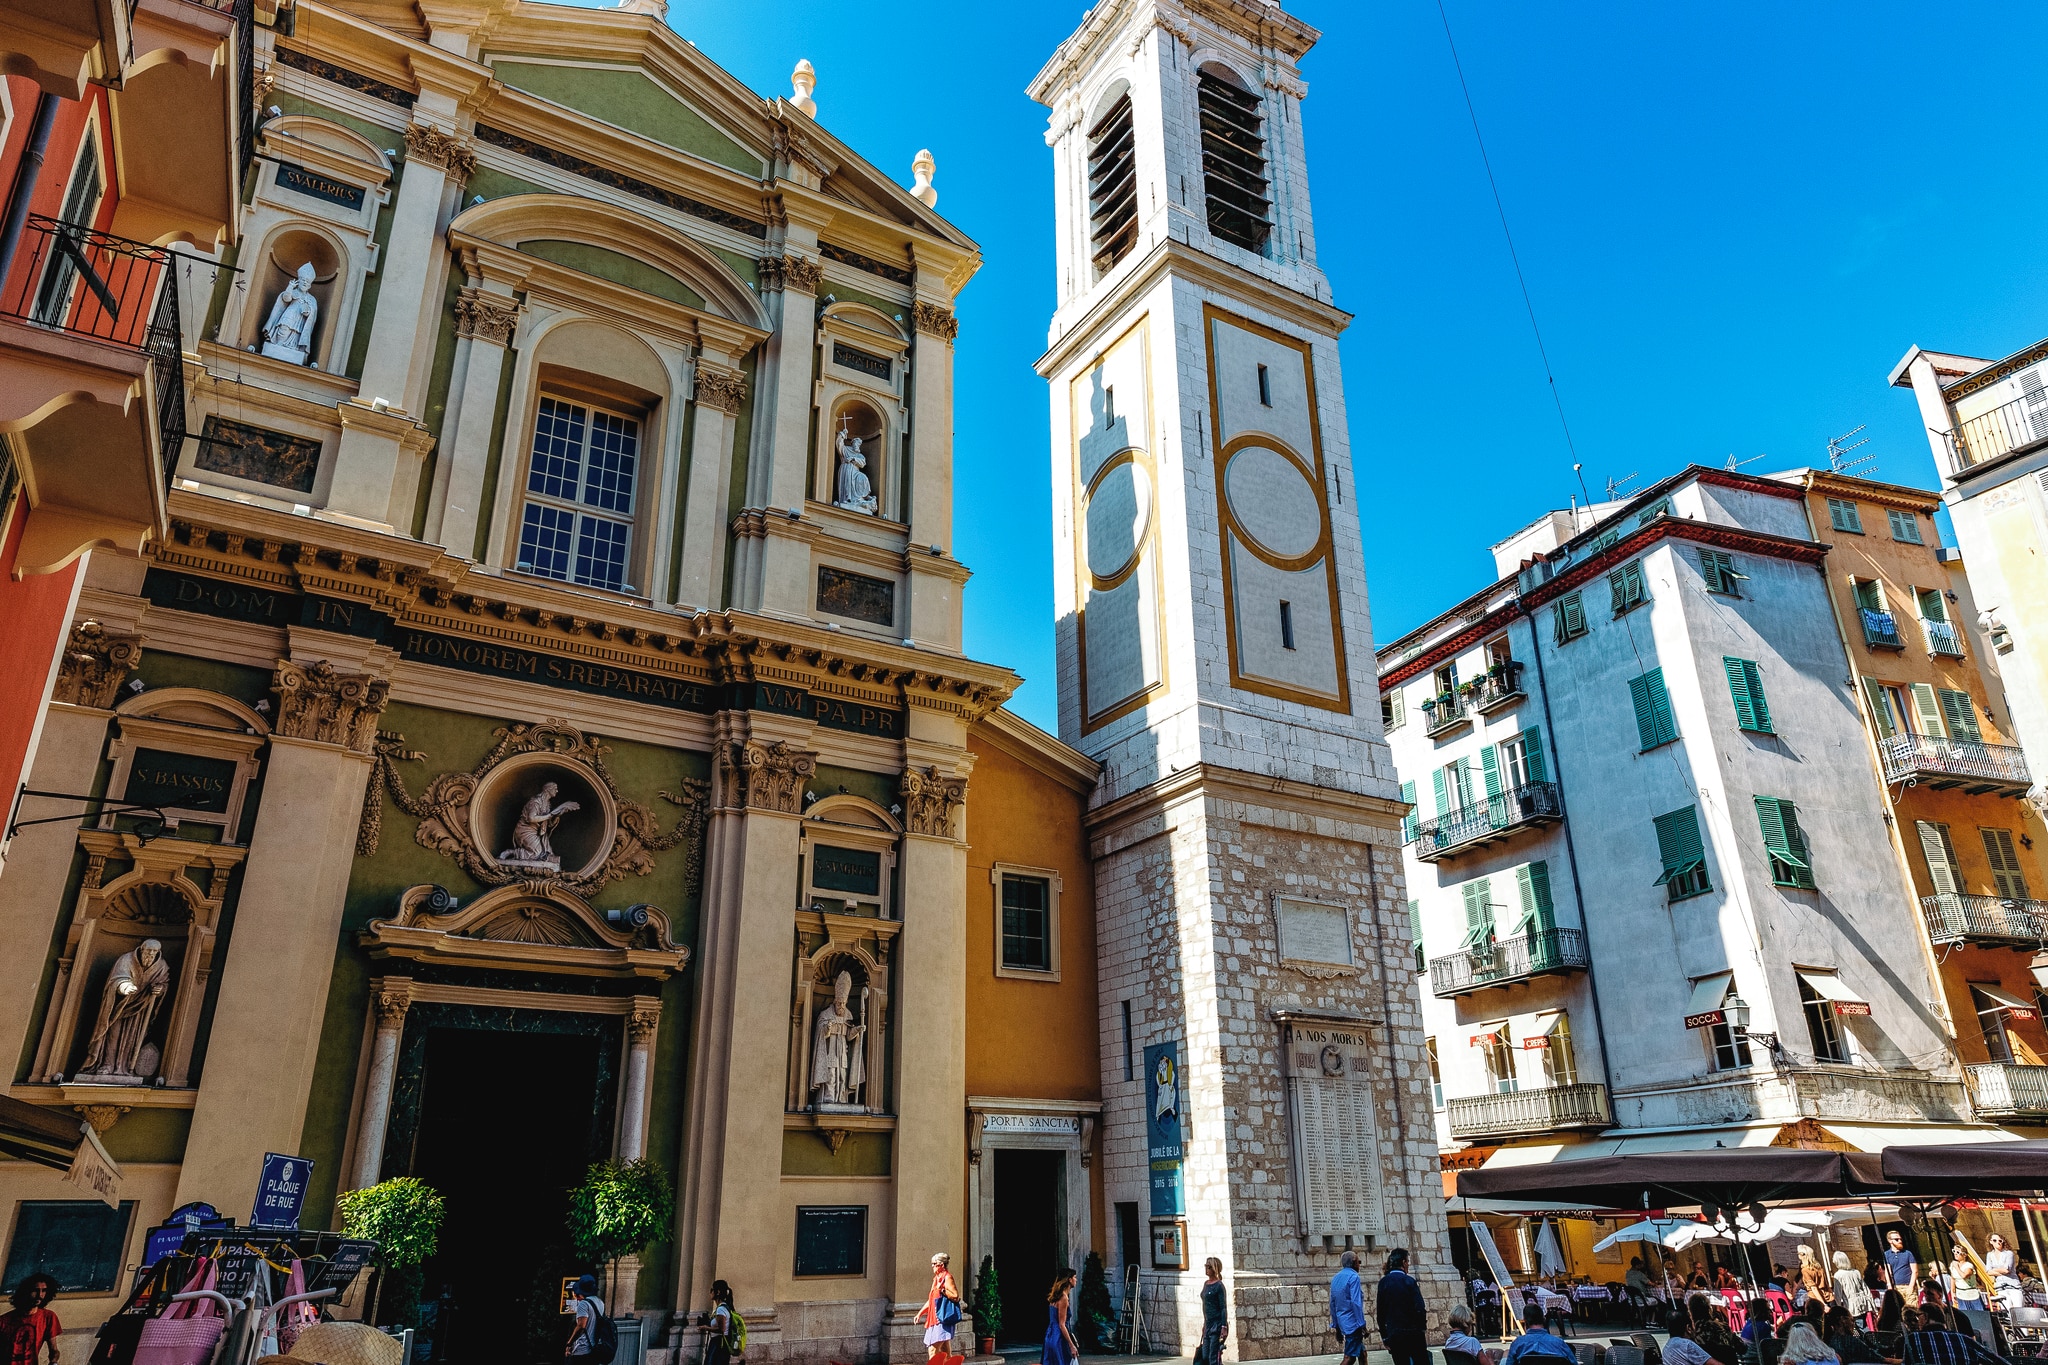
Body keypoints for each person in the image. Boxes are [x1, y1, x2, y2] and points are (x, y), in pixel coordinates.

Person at [1901, 1300, 2006, 1365]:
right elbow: (1997, 1361)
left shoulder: (1913, 1339)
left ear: (1925, 1316)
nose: (1917, 1320)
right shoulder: (1964, 1339)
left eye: (1918, 1316)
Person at [1377, 1248, 1430, 1365]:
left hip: (1395, 1334)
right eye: (1407, 1261)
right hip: (1414, 1333)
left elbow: (1380, 1313)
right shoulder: (1409, 1281)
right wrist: (1421, 1328)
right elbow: (1420, 1308)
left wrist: (1385, 1336)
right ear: (1403, 1262)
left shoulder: (1383, 1283)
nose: (1408, 1264)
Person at [1, 1274, 60, 1365]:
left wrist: (53, 1363)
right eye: (35, 1290)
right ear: (26, 1291)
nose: (40, 1295)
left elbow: (54, 1350)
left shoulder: (48, 1317)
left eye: (44, 1291)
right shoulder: (4, 1321)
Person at [919, 1253, 962, 1361]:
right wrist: (920, 1313)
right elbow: (931, 1300)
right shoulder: (936, 1279)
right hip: (934, 1319)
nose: (932, 1266)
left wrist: (942, 1290)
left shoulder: (947, 1278)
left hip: (942, 1319)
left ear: (941, 1265)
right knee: (946, 1353)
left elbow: (955, 1296)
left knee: (933, 1351)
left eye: (934, 1264)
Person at [1502, 1304, 1578, 1365]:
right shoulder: (1559, 1343)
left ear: (1525, 1321)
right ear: (1543, 1318)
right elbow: (1573, 1363)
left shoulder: (1518, 1343)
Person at [1331, 1250, 1368, 1365]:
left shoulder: (1336, 1278)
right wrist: (1362, 1325)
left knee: (1362, 1354)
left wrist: (1336, 1326)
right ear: (1354, 1262)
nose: (1359, 1265)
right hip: (1353, 1323)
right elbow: (1356, 1303)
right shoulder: (1354, 1277)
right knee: (1349, 1358)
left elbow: (1332, 1304)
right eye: (1359, 1262)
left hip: (1343, 1321)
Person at [1689, 1294, 1744, 1365]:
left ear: (1691, 1312)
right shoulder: (1723, 1328)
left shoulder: (1693, 1335)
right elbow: (1742, 1348)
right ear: (1709, 1309)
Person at [1193, 1260, 1225, 1365]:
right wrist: (1204, 1324)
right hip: (1208, 1323)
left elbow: (1223, 1307)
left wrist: (1223, 1326)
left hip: (1216, 1324)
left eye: (1209, 1267)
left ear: (1215, 1269)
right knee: (1205, 1354)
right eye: (1206, 1266)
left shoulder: (1219, 1286)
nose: (1206, 1269)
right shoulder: (1206, 1284)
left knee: (1212, 1357)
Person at [1046, 1267, 1080, 1365]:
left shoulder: (1056, 1296)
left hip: (1050, 1334)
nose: (1076, 1280)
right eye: (1074, 1277)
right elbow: (1062, 1324)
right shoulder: (1063, 1298)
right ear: (1069, 1279)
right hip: (1059, 1338)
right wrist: (1071, 1345)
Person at [565, 1275, 604, 1359]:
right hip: (593, 1346)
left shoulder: (584, 1304)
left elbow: (581, 1326)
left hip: (582, 1348)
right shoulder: (600, 1302)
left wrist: (569, 1343)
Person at [1832, 1253, 1874, 1327]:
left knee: (1858, 1326)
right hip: (1863, 1302)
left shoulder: (1838, 1275)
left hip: (1851, 1305)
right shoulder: (1856, 1272)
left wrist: (1839, 1308)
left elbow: (1838, 1294)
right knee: (1865, 1324)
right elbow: (1865, 1287)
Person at [1982, 1234, 2021, 1311]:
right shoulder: (1990, 1255)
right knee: (2006, 1311)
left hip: (2013, 1286)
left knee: (2019, 1311)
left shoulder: (2008, 1253)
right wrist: (2000, 1271)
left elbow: (2006, 1270)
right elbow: (1988, 1271)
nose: (1998, 1242)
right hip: (2000, 1287)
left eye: (2000, 1240)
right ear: (1991, 1242)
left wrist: (1995, 1270)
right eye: (1995, 1240)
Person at [703, 1280, 738, 1365]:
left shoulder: (721, 1309)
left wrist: (705, 1327)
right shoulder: (724, 1307)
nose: (710, 1292)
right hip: (721, 1343)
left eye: (712, 1290)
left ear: (717, 1292)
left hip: (718, 1344)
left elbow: (721, 1329)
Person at [1883, 1232, 1918, 1297]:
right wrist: (1889, 1285)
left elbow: (1915, 1271)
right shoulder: (1887, 1254)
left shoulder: (1908, 1253)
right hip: (1896, 1287)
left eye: (1900, 1239)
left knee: (1912, 1306)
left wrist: (1911, 1286)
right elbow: (1888, 1271)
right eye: (1896, 1239)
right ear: (1890, 1241)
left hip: (1908, 1286)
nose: (1900, 1241)